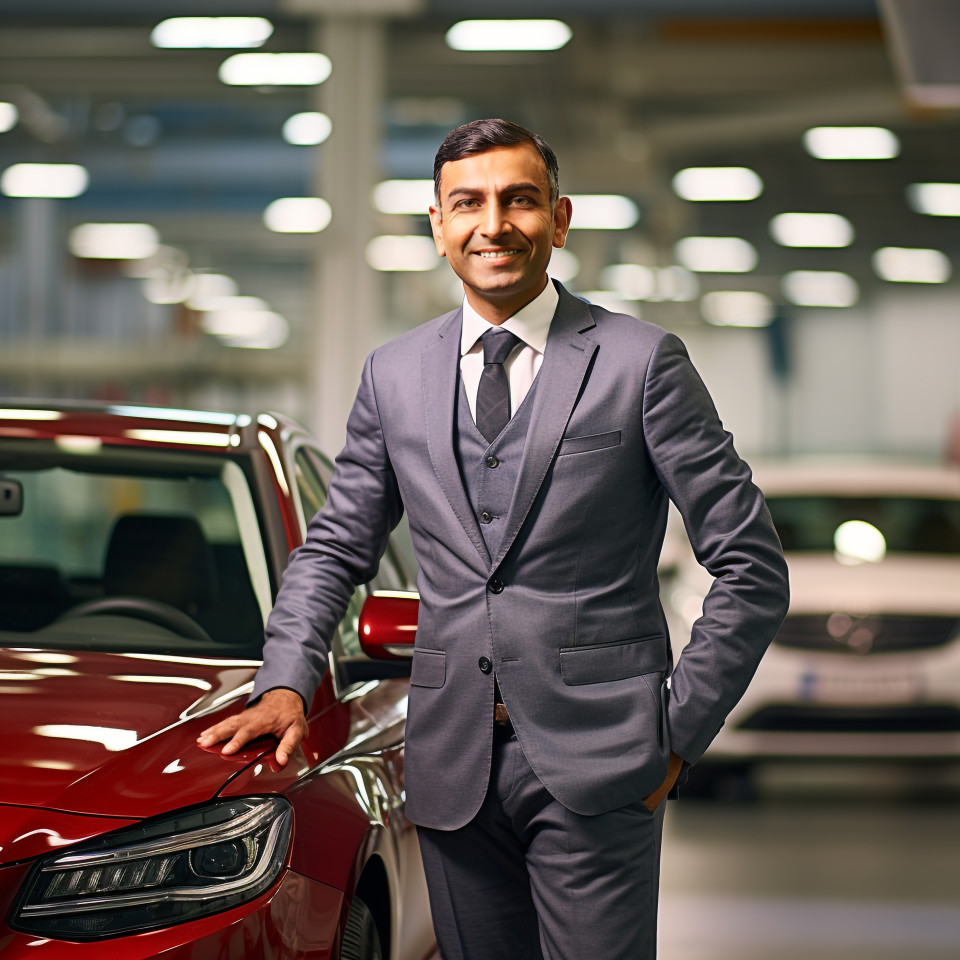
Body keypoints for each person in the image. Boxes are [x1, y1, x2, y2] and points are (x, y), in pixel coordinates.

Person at [199, 118, 789, 960]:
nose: (494, 223)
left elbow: (751, 568)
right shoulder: (395, 374)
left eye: (520, 200)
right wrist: (285, 680)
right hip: (452, 765)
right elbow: (335, 548)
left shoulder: (641, 362)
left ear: (560, 218)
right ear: (436, 226)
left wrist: (675, 734)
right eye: (467, 203)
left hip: (606, 755)